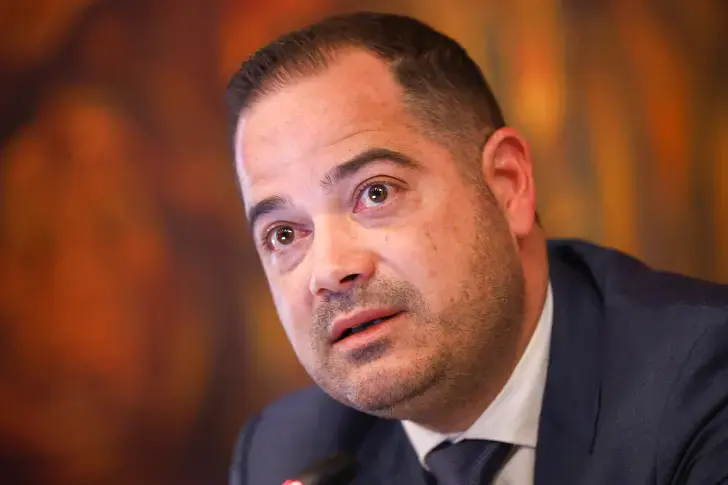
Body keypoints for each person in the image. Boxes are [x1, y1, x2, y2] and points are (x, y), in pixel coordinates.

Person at [225, 11, 728, 485]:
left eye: (375, 193)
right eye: (284, 234)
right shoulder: (281, 454)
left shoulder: (706, 383)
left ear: (507, 185)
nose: (330, 269)